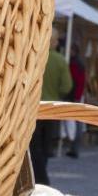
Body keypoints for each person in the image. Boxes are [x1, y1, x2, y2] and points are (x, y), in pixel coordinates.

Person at [30, 34, 74, 185]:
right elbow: (67, 86)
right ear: (55, 42)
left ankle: (35, 176)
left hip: (33, 108)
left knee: (33, 146)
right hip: (53, 108)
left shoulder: (34, 56)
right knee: (46, 146)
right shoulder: (60, 60)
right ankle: (42, 179)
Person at [60, 56, 88, 158]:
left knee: (72, 124)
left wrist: (76, 96)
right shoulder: (81, 66)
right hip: (78, 97)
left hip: (73, 97)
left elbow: (74, 83)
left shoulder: (73, 66)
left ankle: (73, 147)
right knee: (77, 124)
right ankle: (74, 148)